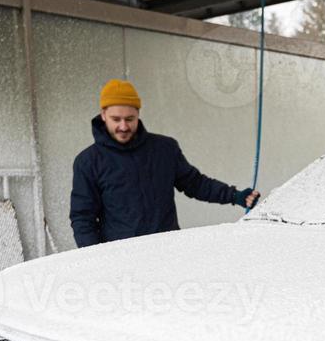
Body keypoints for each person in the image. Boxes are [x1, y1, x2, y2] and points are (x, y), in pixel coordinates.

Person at [70, 79, 259, 248]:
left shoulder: (165, 149)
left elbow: (195, 184)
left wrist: (235, 196)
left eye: (129, 119)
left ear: (138, 114)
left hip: (168, 251)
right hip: (121, 257)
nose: (123, 126)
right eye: (116, 119)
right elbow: (82, 217)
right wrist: (95, 260)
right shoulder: (88, 162)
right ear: (103, 115)